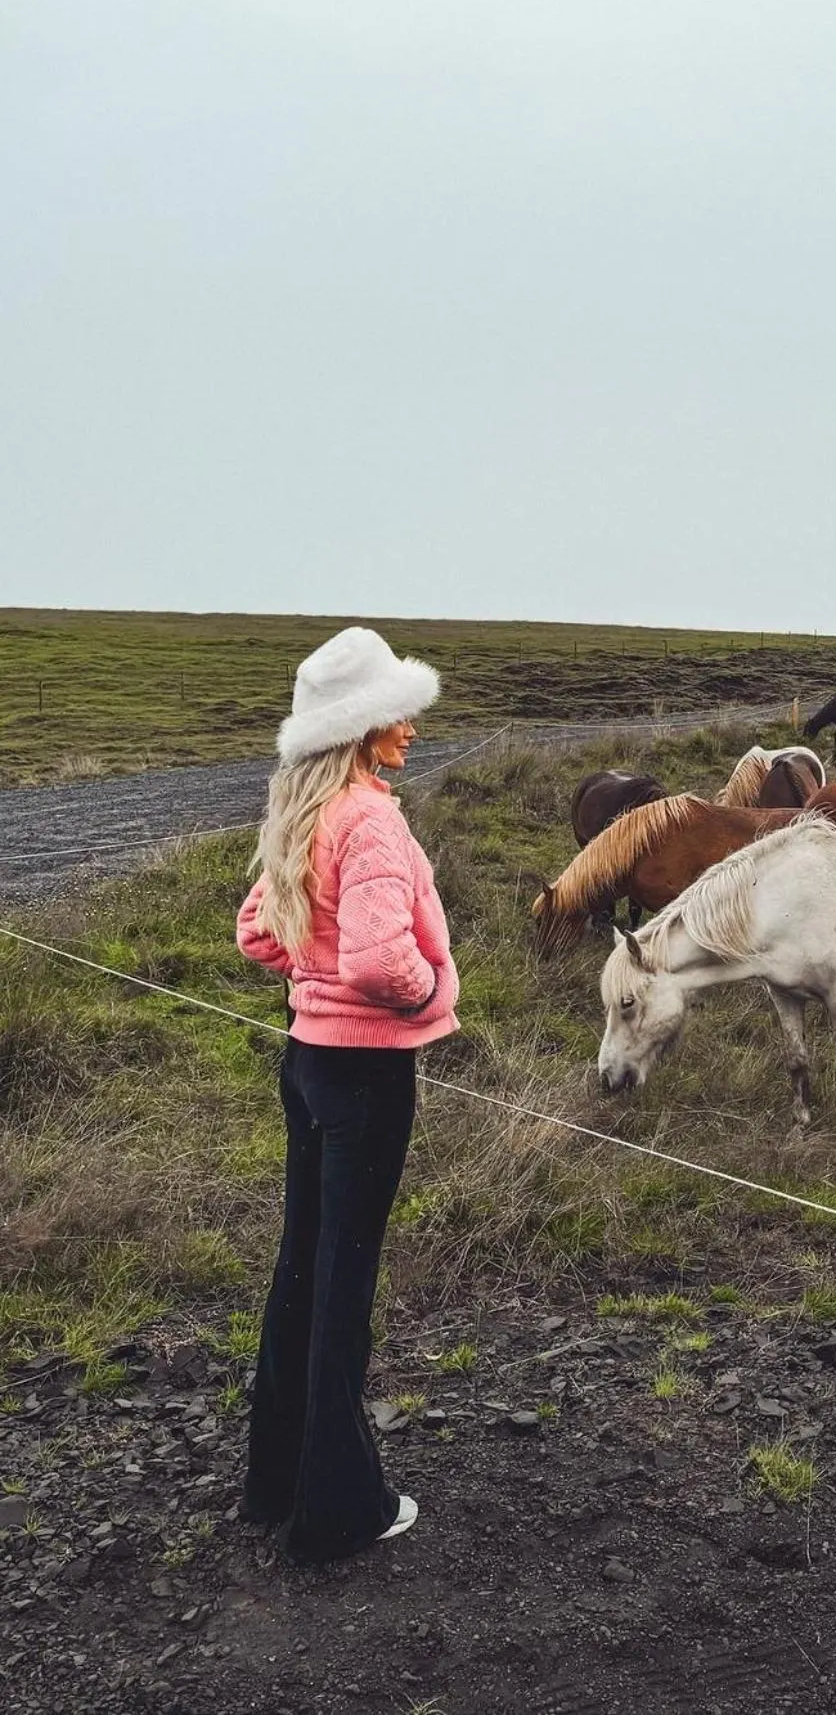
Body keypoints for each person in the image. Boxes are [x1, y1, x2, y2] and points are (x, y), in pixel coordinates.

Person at [235, 627, 459, 1560]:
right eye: (395, 711)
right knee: (344, 1279)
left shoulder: (303, 810)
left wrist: (314, 973)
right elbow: (378, 959)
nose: (410, 725)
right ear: (362, 728)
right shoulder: (368, 818)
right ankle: (337, 1510)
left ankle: (275, 1478)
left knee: (304, 1265)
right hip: (365, 1072)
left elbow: (257, 932)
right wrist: (428, 988)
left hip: (308, 1063)